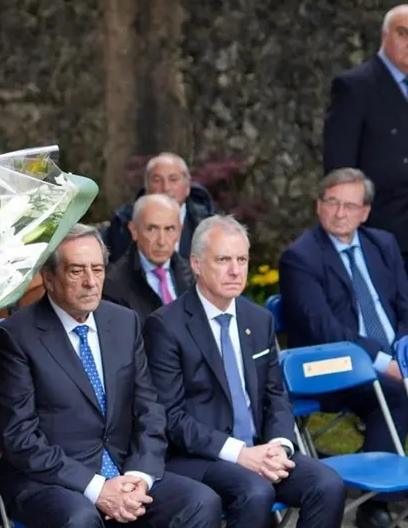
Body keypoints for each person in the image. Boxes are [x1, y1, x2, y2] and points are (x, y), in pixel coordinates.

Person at [0, 223, 223, 528]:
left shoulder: (124, 322)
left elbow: (150, 409)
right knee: (81, 520)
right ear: (48, 278)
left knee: (201, 502)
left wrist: (140, 475)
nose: (90, 282)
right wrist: (97, 487)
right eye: (76, 271)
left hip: (125, 469)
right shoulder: (14, 337)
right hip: (50, 480)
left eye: (97, 270)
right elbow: (19, 438)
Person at [143, 216, 346, 528]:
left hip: (261, 449)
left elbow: (275, 395)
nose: (236, 270)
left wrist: (280, 445)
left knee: (328, 485)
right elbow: (170, 417)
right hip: (198, 457)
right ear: (196, 265)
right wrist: (240, 454)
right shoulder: (166, 326)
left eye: (242, 259)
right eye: (223, 259)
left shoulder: (258, 319)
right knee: (255, 491)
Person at [280, 168, 408, 528]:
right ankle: (375, 505)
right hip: (332, 369)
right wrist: (385, 363)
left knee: (394, 386)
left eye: (349, 205)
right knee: (394, 393)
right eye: (332, 202)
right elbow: (325, 330)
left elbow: (403, 307)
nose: (340, 213)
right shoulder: (300, 257)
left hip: (393, 358)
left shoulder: (382, 243)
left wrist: (403, 353)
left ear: (365, 211)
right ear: (319, 205)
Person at [323, 5, 408, 272]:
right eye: (403, 33)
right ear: (385, 36)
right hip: (383, 234)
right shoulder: (356, 87)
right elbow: (340, 167)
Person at [103, 153, 215, 263]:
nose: (165, 187)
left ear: (187, 187)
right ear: (146, 187)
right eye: (157, 180)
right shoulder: (123, 223)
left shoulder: (207, 223)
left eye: (173, 179)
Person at [103, 194, 194, 323]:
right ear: (134, 230)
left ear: (180, 231)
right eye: (152, 229)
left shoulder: (195, 276)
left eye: (169, 229)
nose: (162, 241)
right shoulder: (113, 286)